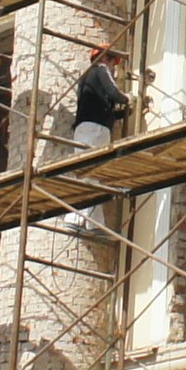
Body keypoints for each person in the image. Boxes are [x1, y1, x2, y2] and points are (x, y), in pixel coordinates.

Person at [63, 42, 131, 237]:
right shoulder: (101, 70)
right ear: (105, 58)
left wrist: (119, 114)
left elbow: (100, 105)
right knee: (91, 174)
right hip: (95, 130)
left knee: (91, 175)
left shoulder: (86, 78)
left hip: (87, 128)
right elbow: (113, 94)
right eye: (113, 63)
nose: (114, 68)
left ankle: (95, 224)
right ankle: (74, 218)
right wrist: (127, 99)